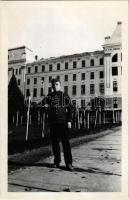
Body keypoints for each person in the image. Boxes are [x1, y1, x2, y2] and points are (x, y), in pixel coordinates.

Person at [40, 78, 74, 171]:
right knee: (55, 144)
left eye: (57, 84)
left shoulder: (64, 95)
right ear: (52, 86)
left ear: (60, 85)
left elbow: (70, 108)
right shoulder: (49, 96)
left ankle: (69, 163)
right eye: (54, 85)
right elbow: (41, 106)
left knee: (66, 144)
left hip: (63, 122)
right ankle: (57, 161)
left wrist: (69, 120)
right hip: (53, 123)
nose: (55, 86)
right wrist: (45, 107)